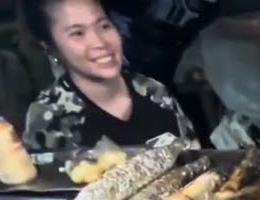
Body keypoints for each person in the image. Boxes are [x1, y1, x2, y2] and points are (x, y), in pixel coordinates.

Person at [19, 0, 199, 152]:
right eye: (78, 33)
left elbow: (195, 159)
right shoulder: (48, 119)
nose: (100, 42)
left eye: (104, 26)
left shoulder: (154, 92)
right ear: (51, 47)